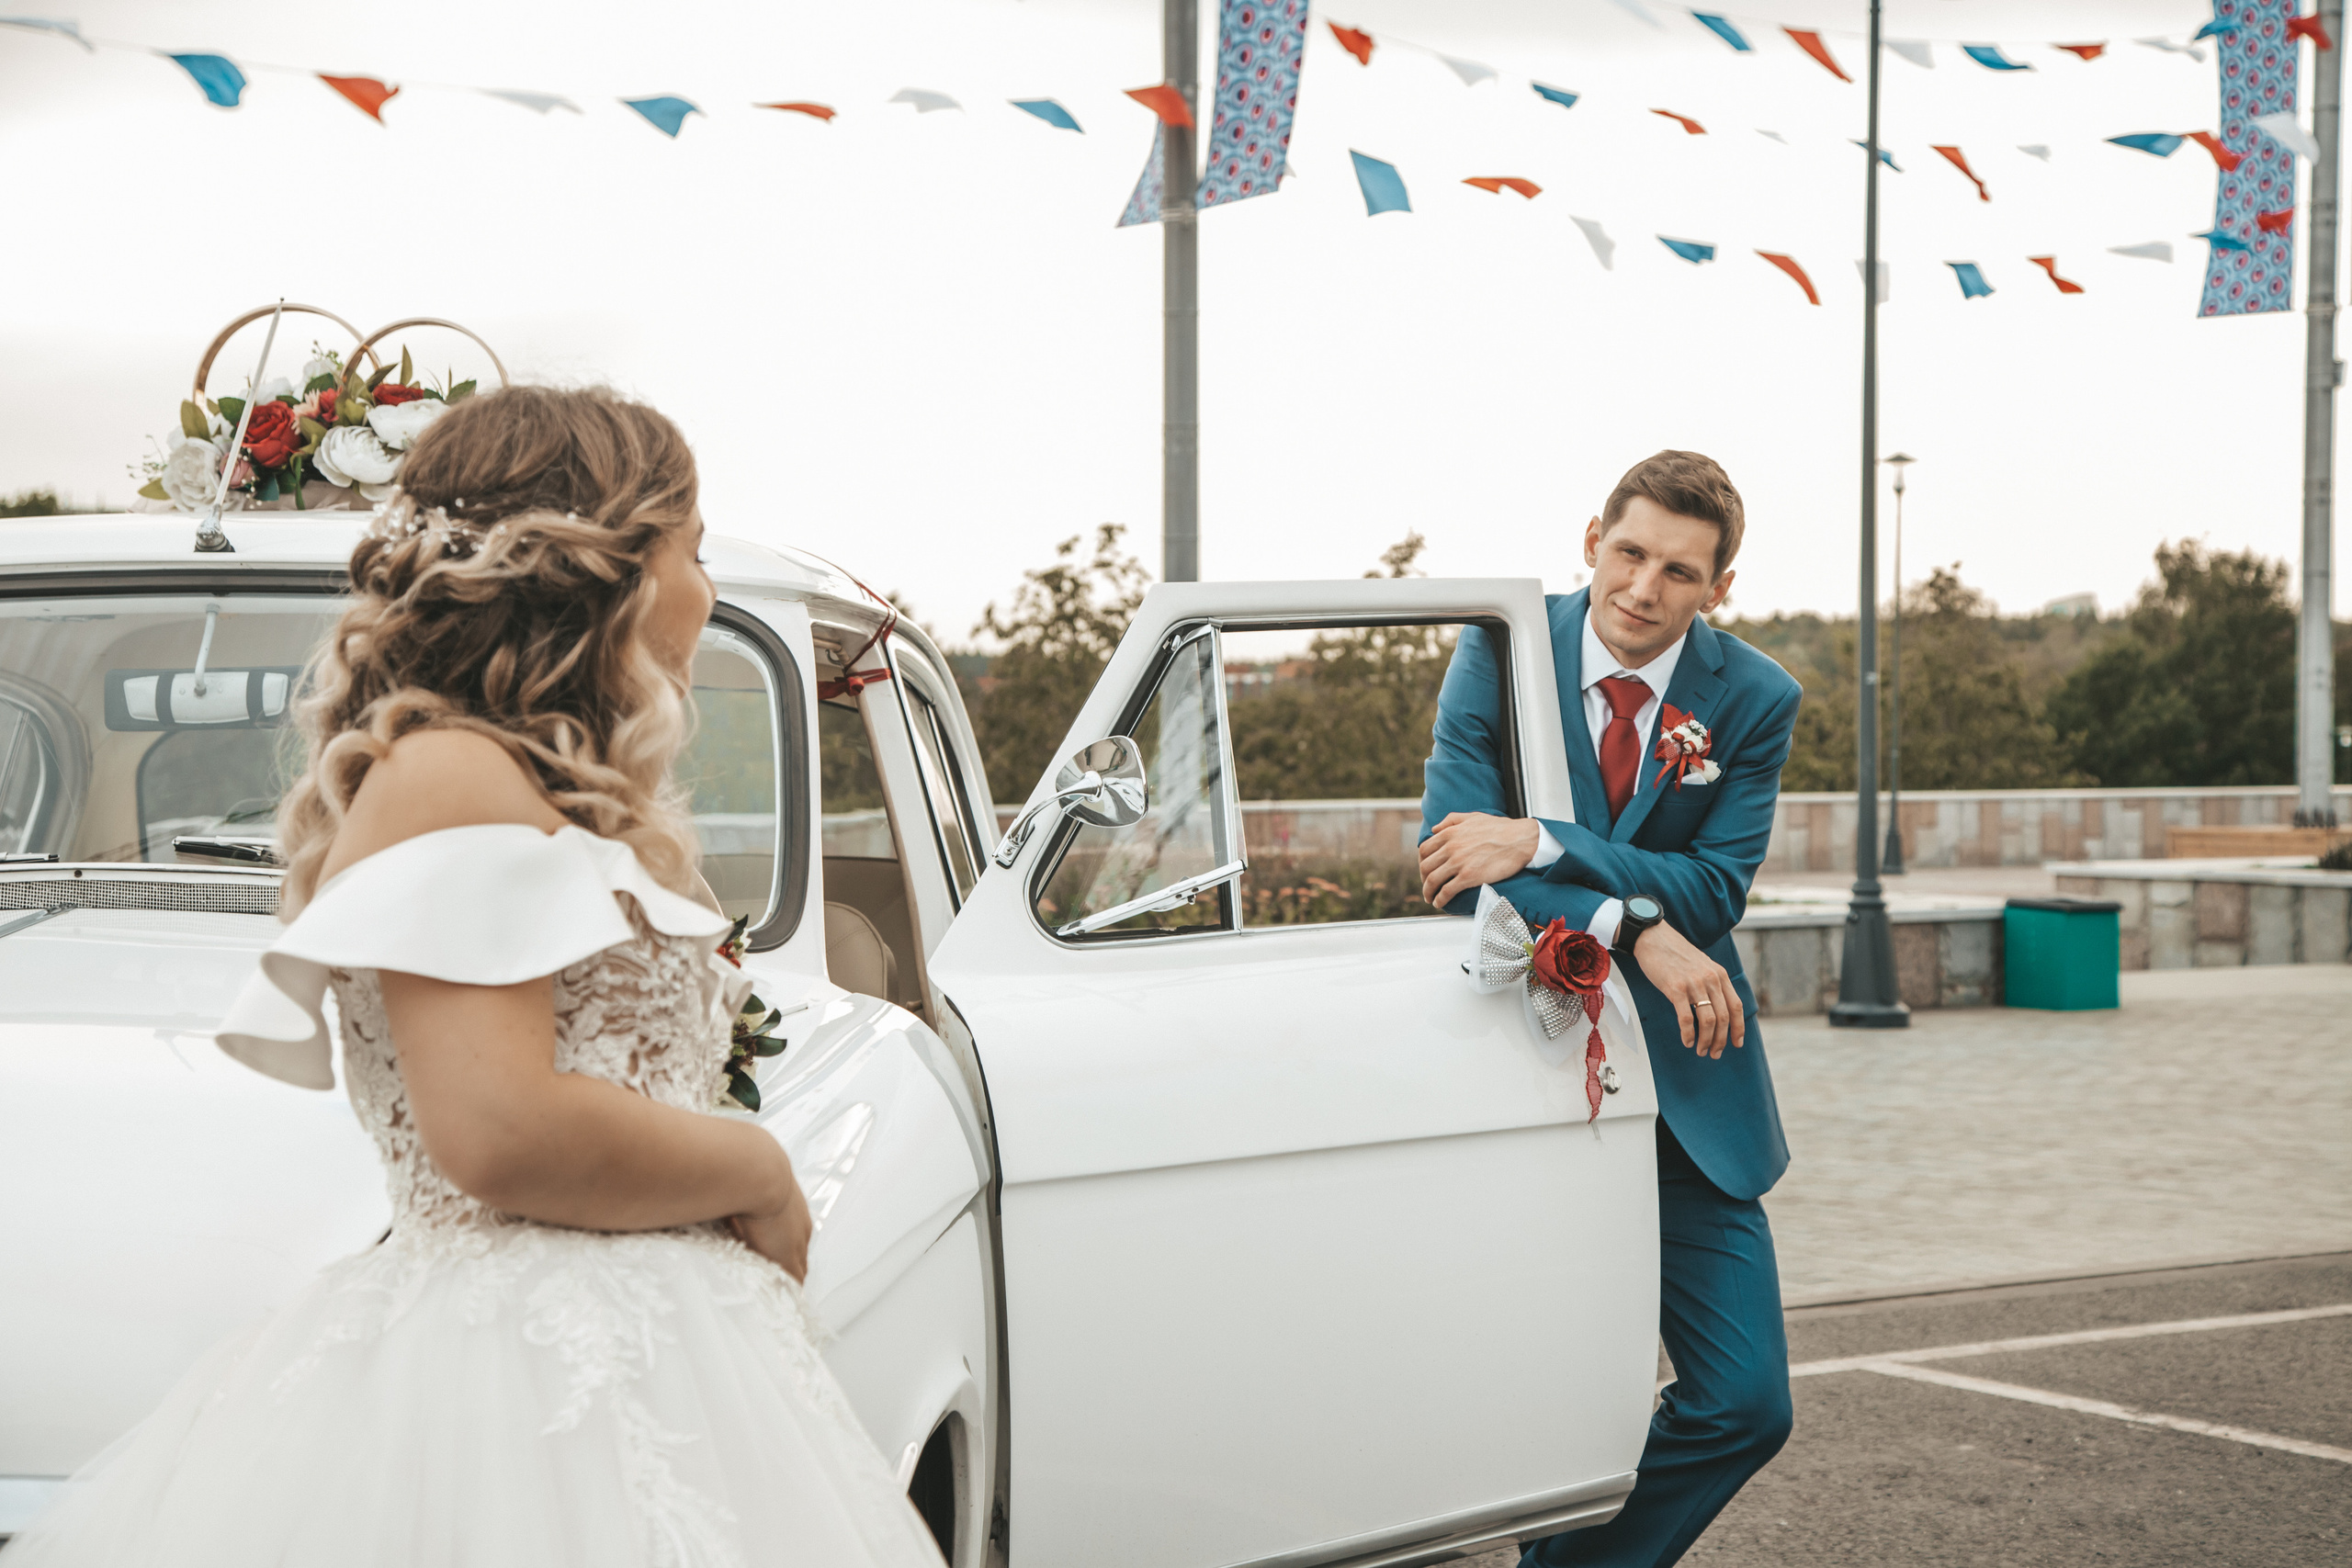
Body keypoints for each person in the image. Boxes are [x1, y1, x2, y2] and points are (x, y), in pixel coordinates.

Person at [2, 387, 944, 1567]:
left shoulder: (518, 784)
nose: (704, 592)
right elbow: (495, 1125)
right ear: (613, 570)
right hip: (523, 1375)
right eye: (691, 550)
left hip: (629, 1356)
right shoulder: (449, 773)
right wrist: (755, 1169)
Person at [1416, 450, 1802, 1568]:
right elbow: (1454, 859)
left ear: (1717, 587)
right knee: (1531, 1395)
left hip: (1687, 1089)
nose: (1643, 588)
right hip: (1516, 1079)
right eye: (1629, 553)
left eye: (1680, 572)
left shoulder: (1754, 698)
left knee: (1744, 1404)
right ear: (1592, 538)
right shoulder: (1500, 647)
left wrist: (1542, 841)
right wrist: (1639, 923)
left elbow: (1720, 886)